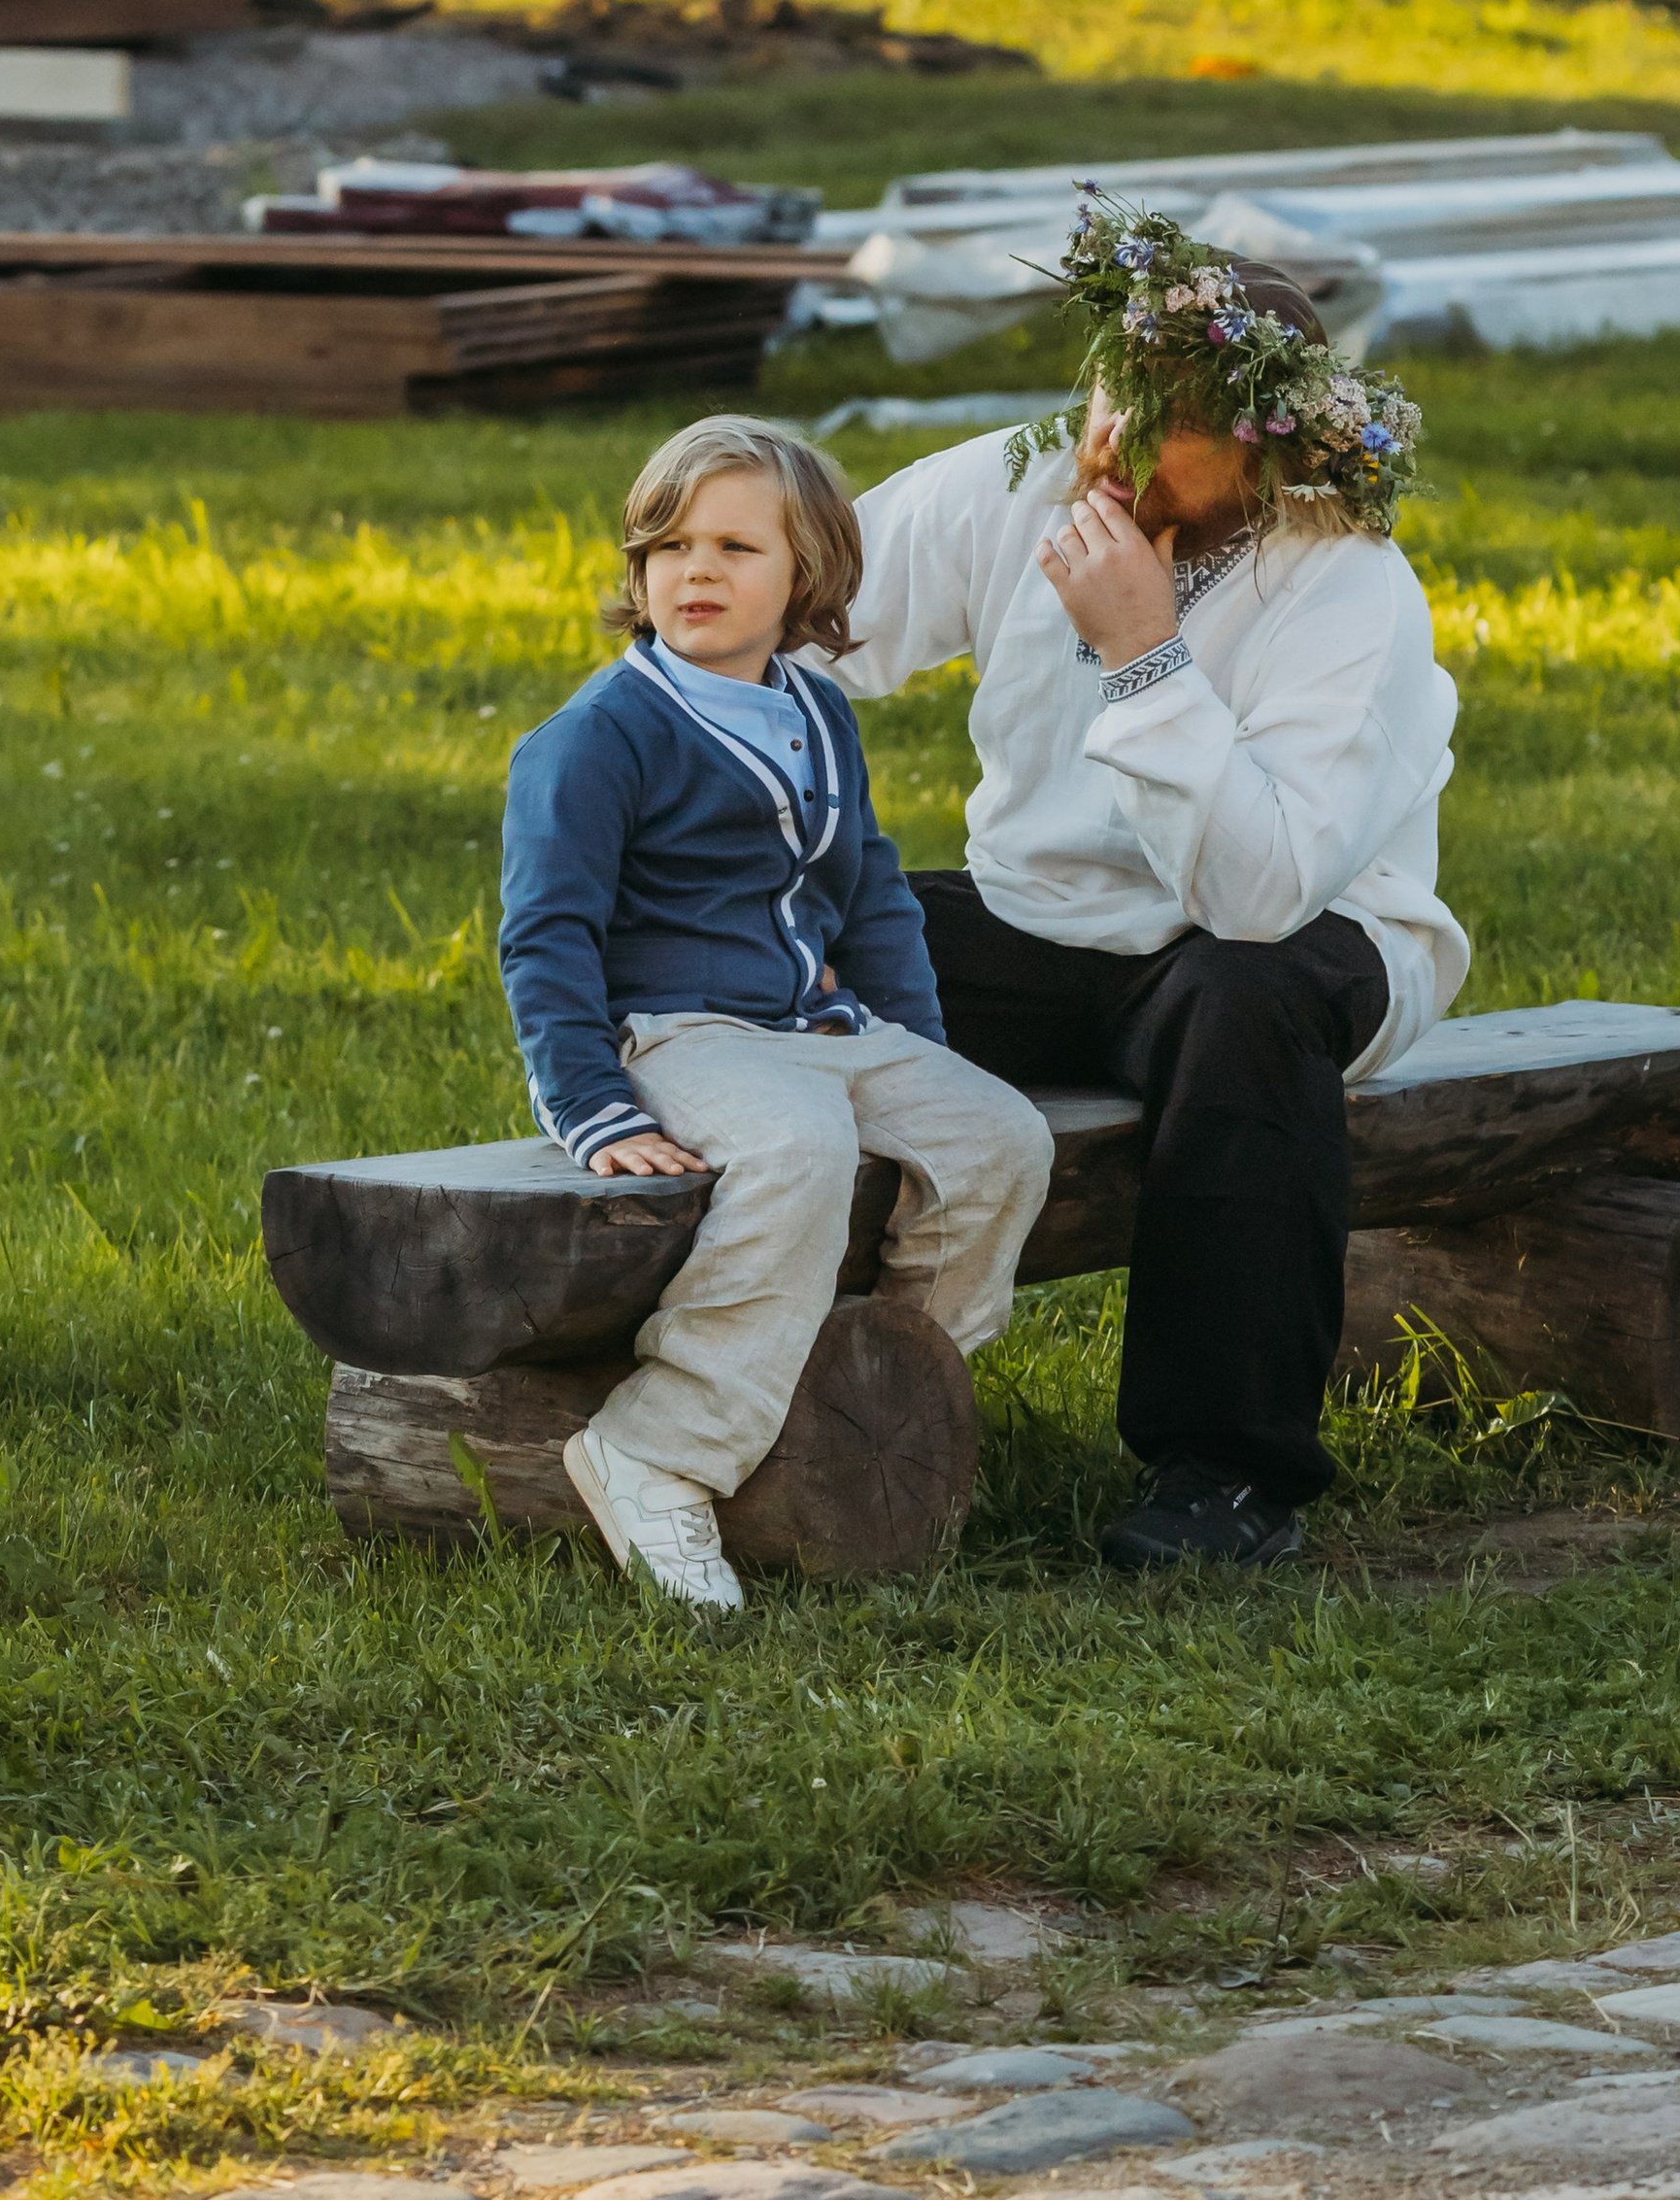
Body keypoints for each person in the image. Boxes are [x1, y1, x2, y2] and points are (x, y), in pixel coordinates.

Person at [813, 196, 1466, 1572]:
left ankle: (1225, 1471)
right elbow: (807, 623)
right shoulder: (1030, 479)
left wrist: (1144, 653)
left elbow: (1259, 894)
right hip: (1042, 925)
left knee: (1243, 1004)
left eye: (1160, 422)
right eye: (1111, 396)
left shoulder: (1347, 587)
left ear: (1264, 449)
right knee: (797, 943)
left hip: (1292, 945)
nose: (1106, 446)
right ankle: (722, 1344)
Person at [498, 414, 1054, 1611]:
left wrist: (919, 1046)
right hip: (677, 1034)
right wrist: (592, 1106)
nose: (695, 571)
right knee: (800, 1153)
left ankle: (881, 1393)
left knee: (1001, 1140)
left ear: (810, 575)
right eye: (670, 545)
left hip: (818, 1029)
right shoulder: (598, 740)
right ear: (638, 570)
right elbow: (546, 937)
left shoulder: (813, 710)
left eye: (737, 549)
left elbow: (867, 893)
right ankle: (662, 1447)